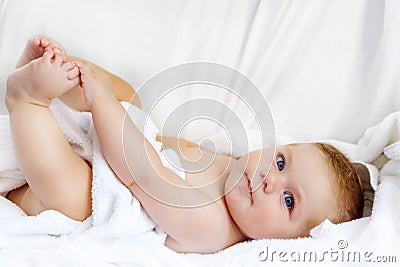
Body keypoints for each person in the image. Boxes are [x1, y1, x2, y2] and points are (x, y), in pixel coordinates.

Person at [5, 36, 364, 254]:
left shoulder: (214, 226)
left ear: (289, 242)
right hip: (119, 150)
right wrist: (122, 110)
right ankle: (62, 75)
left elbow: (144, 176)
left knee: (76, 197)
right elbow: (163, 145)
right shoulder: (229, 164)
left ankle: (27, 101)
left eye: (289, 201)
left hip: (112, 194)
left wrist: (102, 102)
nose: (270, 179)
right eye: (282, 162)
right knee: (133, 100)